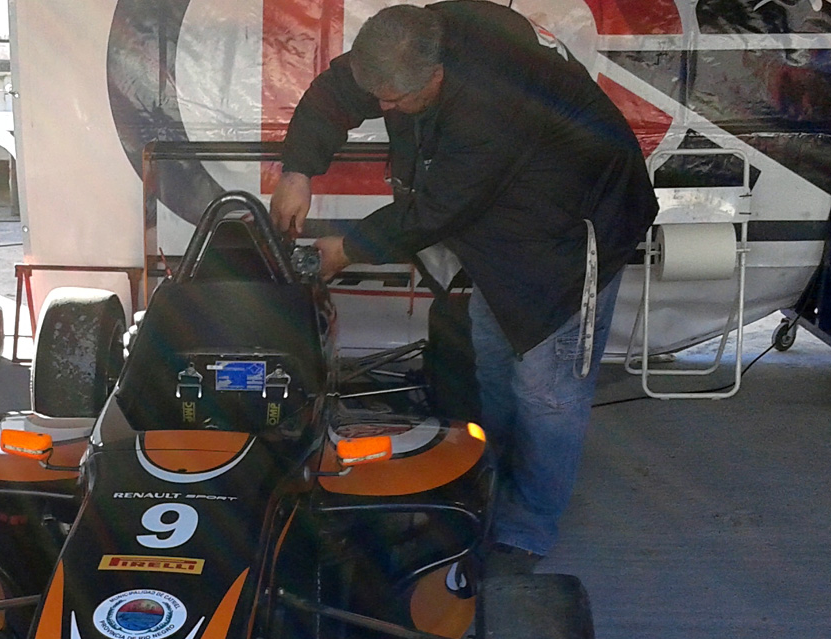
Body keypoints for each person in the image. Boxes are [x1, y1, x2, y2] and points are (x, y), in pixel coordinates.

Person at [270, 1, 657, 562]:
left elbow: (440, 206)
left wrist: (348, 250)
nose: (383, 109)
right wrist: (298, 169)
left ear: (437, 76)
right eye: (378, 96)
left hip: (575, 233)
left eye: (394, 101)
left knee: (548, 393)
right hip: (504, 226)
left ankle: (526, 530)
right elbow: (337, 93)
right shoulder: (410, 41)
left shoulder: (491, 102)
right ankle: (487, 484)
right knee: (493, 365)